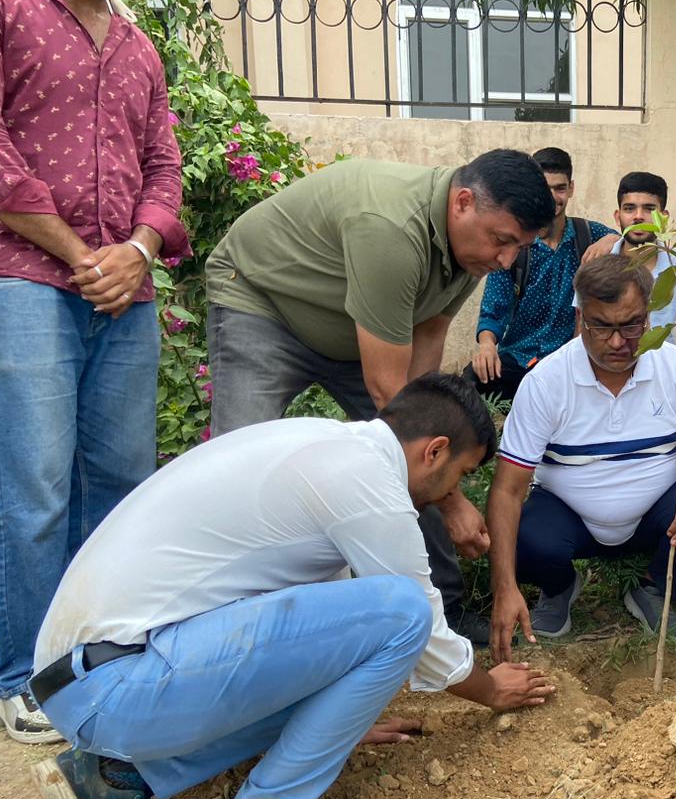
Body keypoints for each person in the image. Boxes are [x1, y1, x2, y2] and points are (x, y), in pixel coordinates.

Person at [30, 374, 556, 799]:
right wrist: (492, 691)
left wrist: (331, 722)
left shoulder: (321, 447)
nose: (449, 494)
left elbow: (309, 635)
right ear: (434, 451)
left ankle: (115, 781)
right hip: (119, 684)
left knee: (378, 618)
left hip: (89, 679)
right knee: (403, 611)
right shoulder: (367, 482)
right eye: (457, 475)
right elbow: (424, 637)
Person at [204, 149, 554, 644]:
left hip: (355, 331)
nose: (505, 260)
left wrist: (437, 459)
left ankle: (443, 611)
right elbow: (389, 390)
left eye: (518, 247)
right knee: (241, 462)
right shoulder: (390, 228)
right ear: (463, 202)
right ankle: (228, 625)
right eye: (502, 241)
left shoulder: (471, 249)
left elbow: (429, 343)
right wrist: (452, 504)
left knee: (431, 449)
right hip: (264, 303)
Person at [0, 0, 190, 744]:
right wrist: (83, 256)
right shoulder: (4, 0)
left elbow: (163, 163)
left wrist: (138, 251)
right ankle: (24, 677)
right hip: (25, 279)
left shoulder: (138, 43)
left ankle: (94, 653)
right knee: (35, 484)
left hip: (124, 295)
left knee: (120, 482)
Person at [487, 255, 676, 662]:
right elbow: (507, 490)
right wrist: (504, 587)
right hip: (568, 518)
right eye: (602, 326)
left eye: (631, 325)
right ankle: (560, 587)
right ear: (581, 318)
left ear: (650, 318)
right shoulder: (546, 382)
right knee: (526, 537)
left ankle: (652, 587)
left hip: (659, 516)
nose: (618, 342)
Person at [464, 147, 618, 400]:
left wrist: (613, 239)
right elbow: (495, 306)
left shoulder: (589, 235)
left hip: (569, 363)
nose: (553, 197)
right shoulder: (516, 243)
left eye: (560, 188)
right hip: (519, 360)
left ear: (571, 189)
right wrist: (487, 345)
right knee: (468, 389)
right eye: (545, 188)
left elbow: (637, 248)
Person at [571, 172, 676, 348]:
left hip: (661, 370)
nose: (638, 216)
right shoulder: (598, 262)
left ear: (663, 217)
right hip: (607, 365)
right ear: (617, 216)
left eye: (649, 209)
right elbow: (581, 329)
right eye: (629, 208)